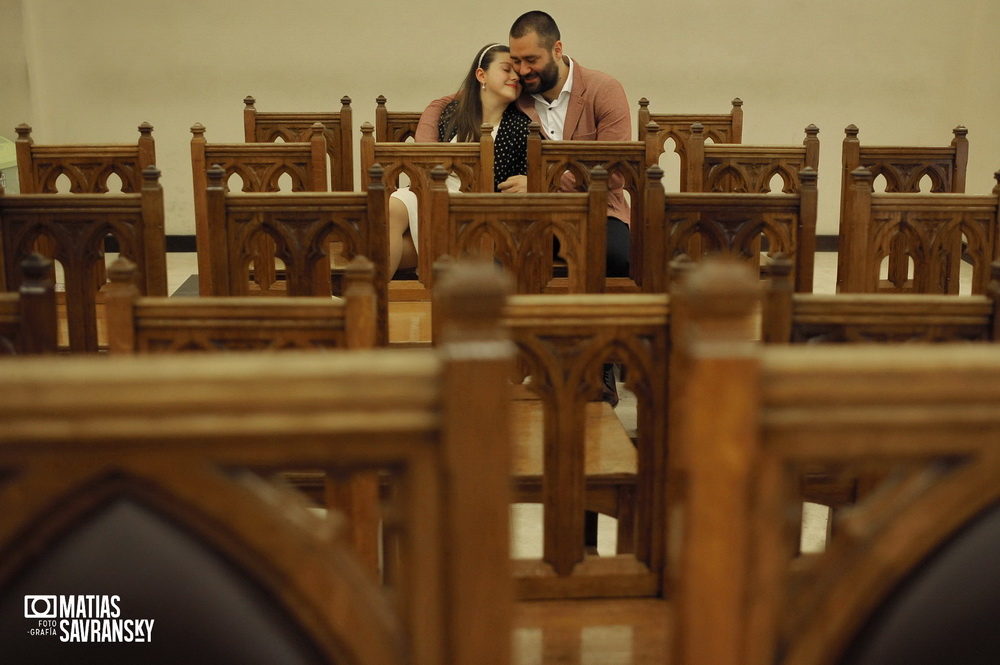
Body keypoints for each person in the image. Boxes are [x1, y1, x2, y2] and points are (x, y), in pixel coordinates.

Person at [388, 43, 531, 277]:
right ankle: (369, 304)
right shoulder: (452, 113)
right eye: (506, 69)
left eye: (517, 72)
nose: (515, 76)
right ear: (481, 75)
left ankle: (365, 303)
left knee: (389, 247)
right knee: (393, 206)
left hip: (474, 210)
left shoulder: (522, 125)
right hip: (430, 192)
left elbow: (519, 184)